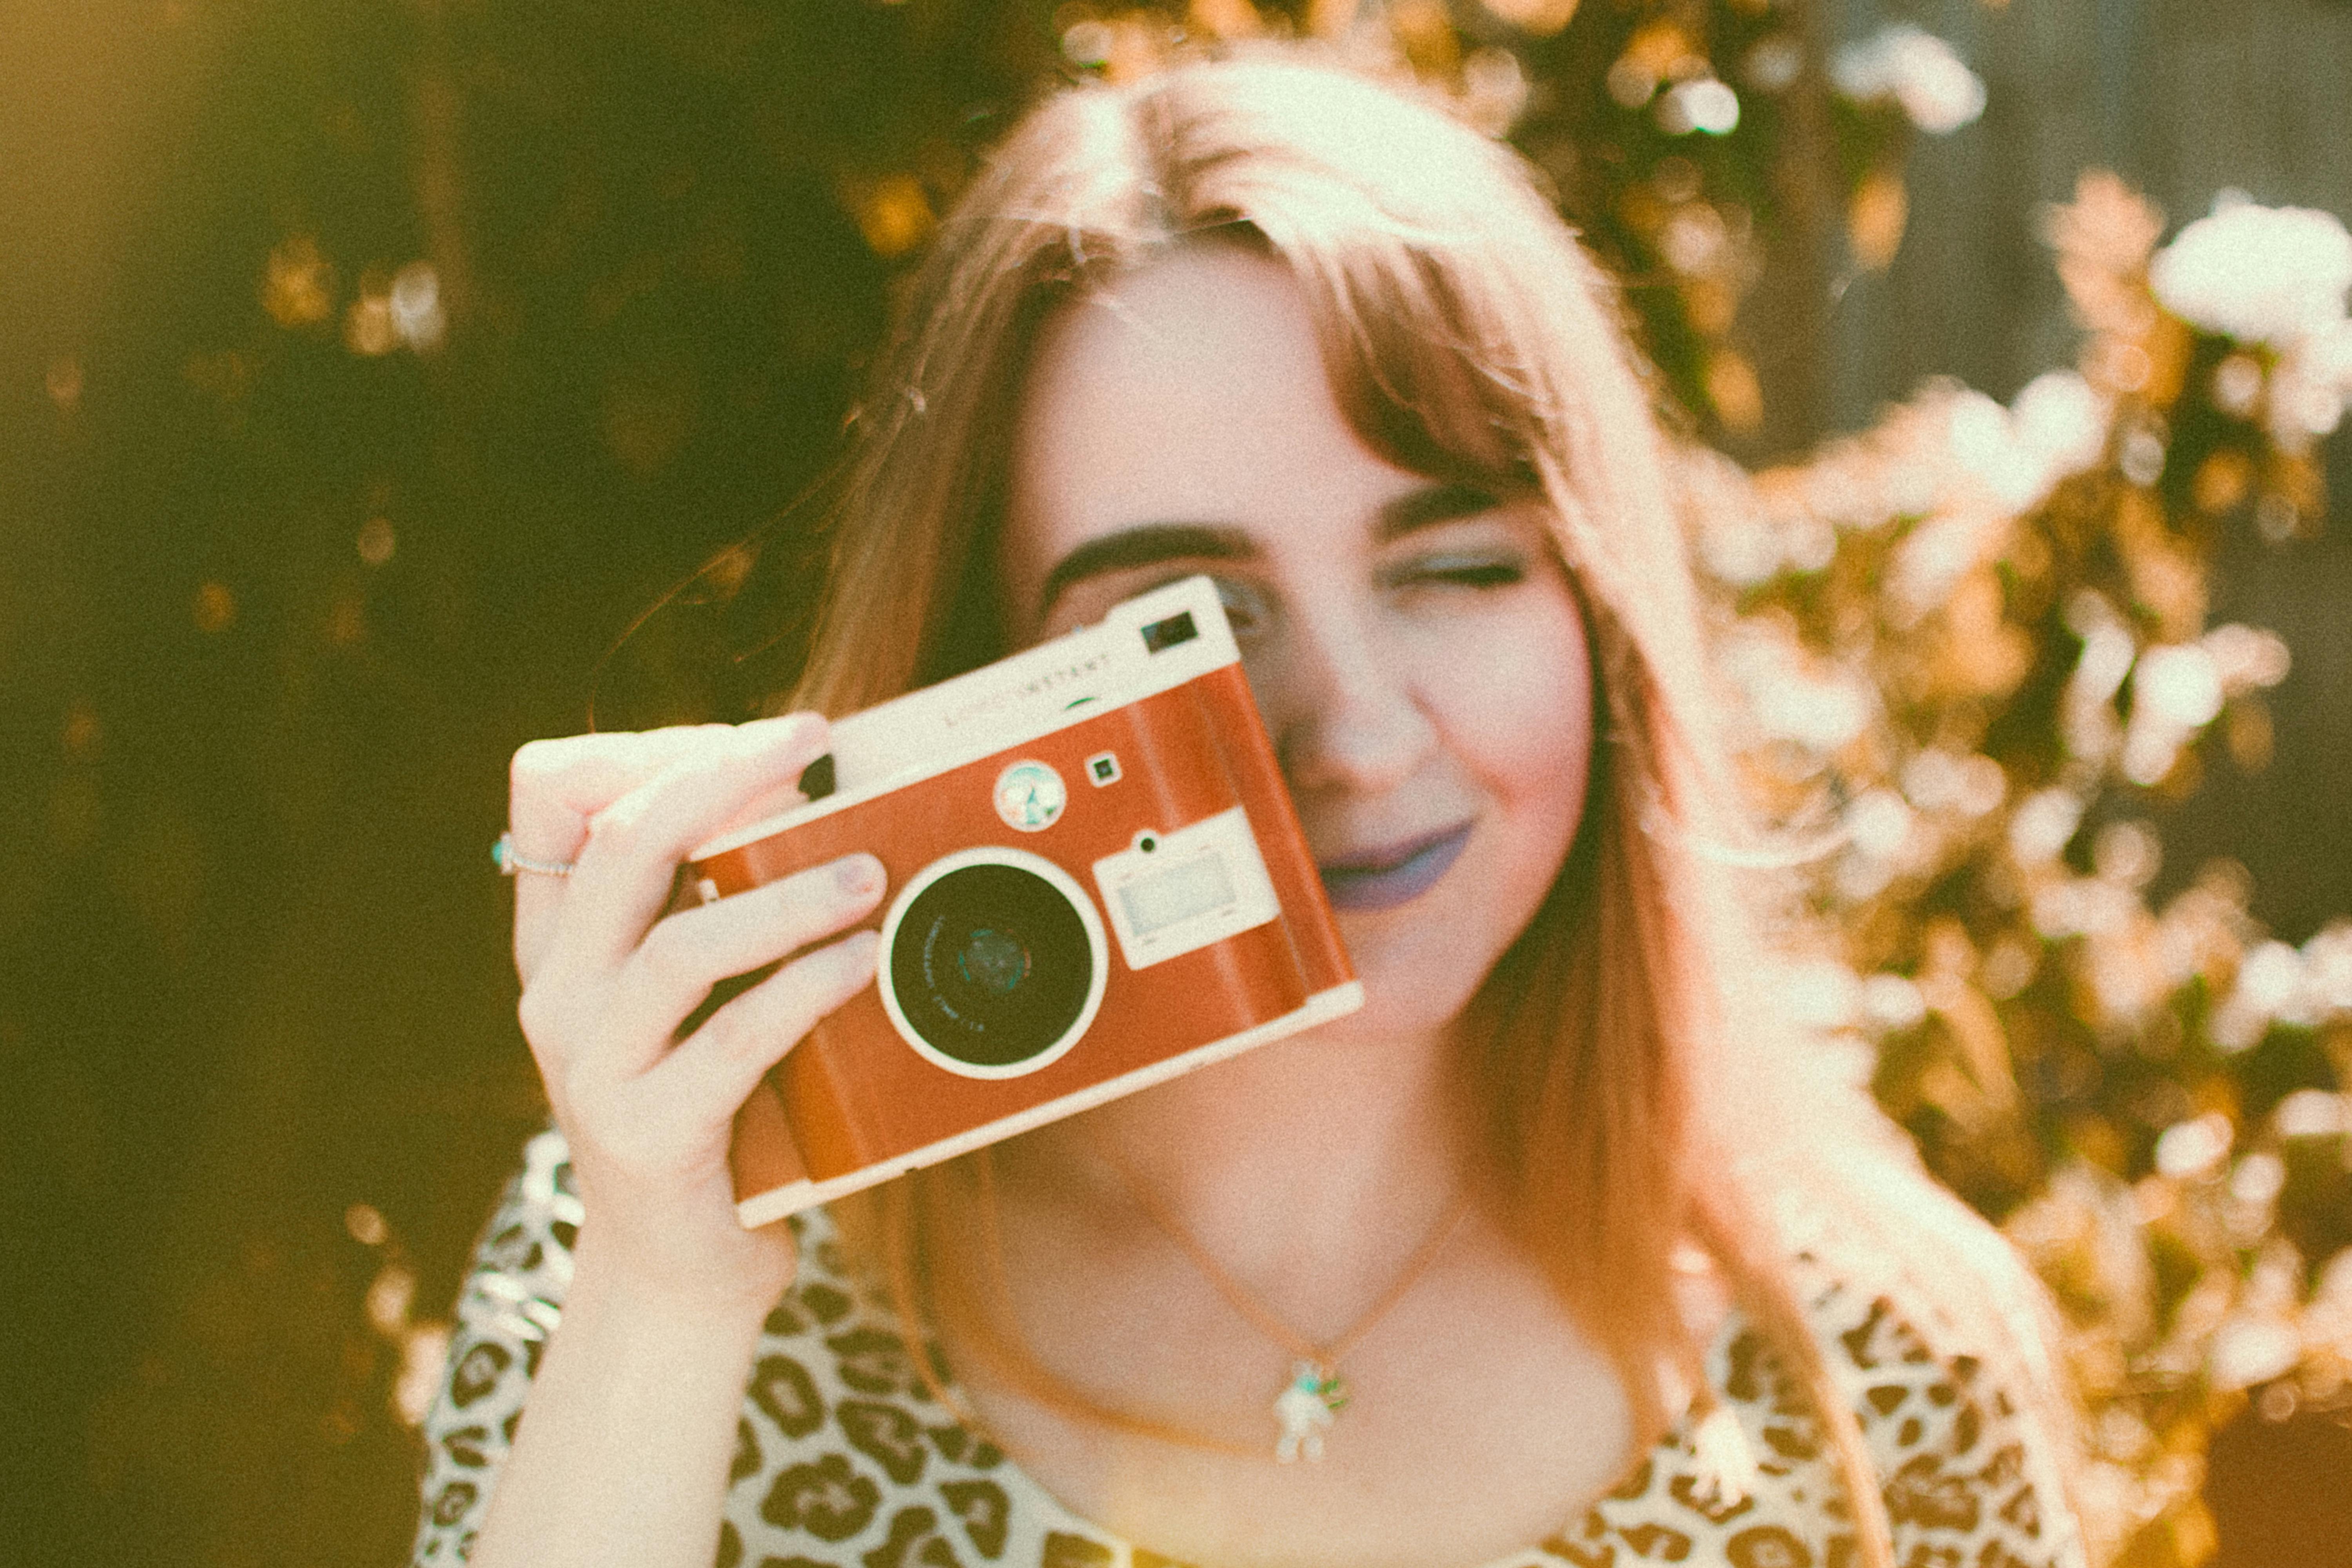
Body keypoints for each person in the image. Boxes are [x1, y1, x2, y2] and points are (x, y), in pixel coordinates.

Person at [414, 48, 2089, 1568]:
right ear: (982, 674)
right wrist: (662, 1304)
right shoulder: (673, 1251)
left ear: (1597, 606)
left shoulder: (1885, 1367)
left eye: (1451, 567)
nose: (1356, 734)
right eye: (1190, 622)